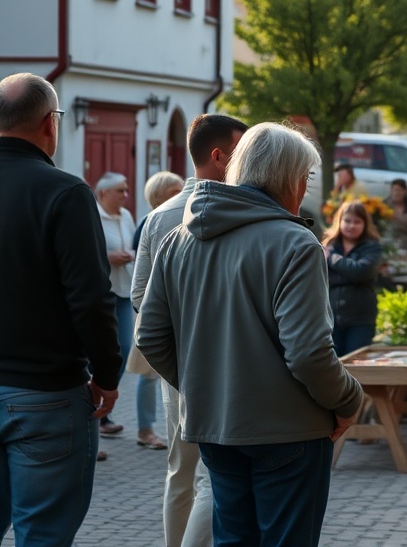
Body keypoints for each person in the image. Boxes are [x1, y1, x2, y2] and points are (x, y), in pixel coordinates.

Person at [137, 122, 364, 546]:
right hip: (287, 430)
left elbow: (149, 336)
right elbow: (310, 352)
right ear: (289, 177)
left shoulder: (176, 240)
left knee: (231, 537)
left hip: (214, 425)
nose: (305, 187)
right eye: (307, 177)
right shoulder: (296, 243)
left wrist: (202, 385)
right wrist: (350, 399)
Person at [0, 72, 121, 546]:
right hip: (46, 394)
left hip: (37, 393)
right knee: (43, 535)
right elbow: (90, 300)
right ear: (50, 124)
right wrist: (108, 377)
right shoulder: (65, 194)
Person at [131, 114, 248, 547]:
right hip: (224, 364)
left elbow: (140, 298)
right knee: (212, 477)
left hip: (176, 364)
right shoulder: (240, 209)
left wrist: (172, 356)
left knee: (181, 472)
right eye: (242, 152)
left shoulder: (159, 215)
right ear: (219, 157)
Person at [126, 172, 186, 452]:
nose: (183, 193)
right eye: (176, 190)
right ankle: (146, 429)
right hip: (154, 313)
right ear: (159, 196)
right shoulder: (151, 222)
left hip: (157, 312)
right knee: (148, 374)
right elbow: (143, 280)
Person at [94, 172, 140, 443]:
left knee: (122, 349)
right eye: (120, 191)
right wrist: (108, 257)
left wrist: (128, 256)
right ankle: (97, 413)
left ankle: (103, 402)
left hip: (123, 291)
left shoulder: (126, 216)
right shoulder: (92, 215)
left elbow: (133, 245)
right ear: (103, 194)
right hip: (102, 293)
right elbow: (85, 252)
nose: (125, 195)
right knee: (96, 353)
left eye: (125, 190)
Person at [323, 199, 384, 355]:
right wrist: (350, 271)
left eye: (357, 222)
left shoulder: (372, 247)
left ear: (365, 224)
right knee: (332, 366)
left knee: (356, 365)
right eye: (347, 220)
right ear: (339, 221)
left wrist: (332, 258)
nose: (351, 225)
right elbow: (321, 278)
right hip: (330, 320)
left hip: (360, 319)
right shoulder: (328, 244)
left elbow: (361, 272)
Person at [384, 178, 407, 255]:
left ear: (405, 191)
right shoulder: (383, 206)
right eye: (394, 190)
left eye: (399, 190)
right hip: (388, 241)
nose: (396, 193)